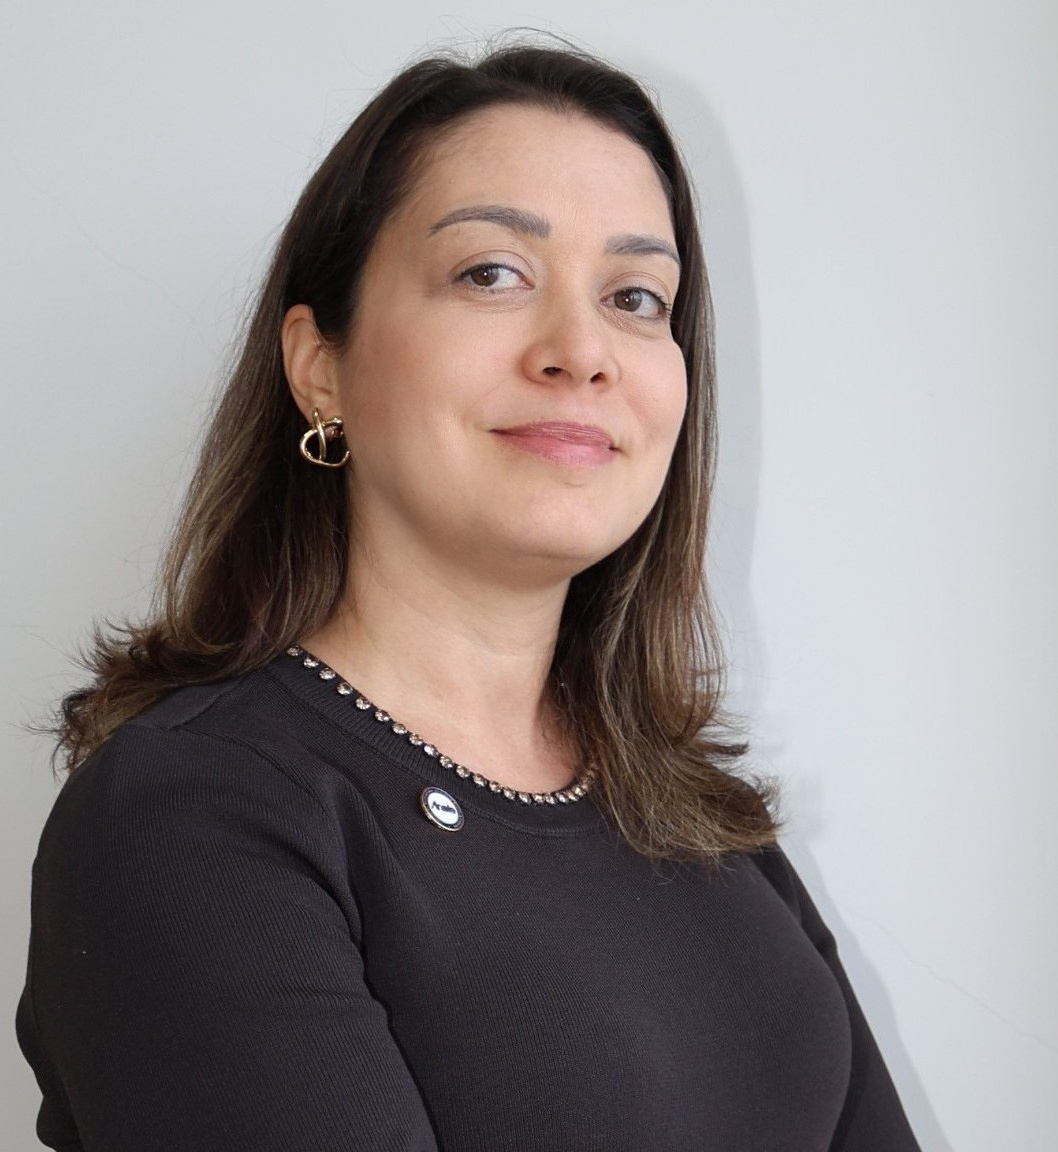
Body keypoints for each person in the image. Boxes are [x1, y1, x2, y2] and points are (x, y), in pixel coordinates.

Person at [16, 41, 920, 1151]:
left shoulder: (704, 826)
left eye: (636, 297)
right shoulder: (189, 815)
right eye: (491, 273)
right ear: (320, 366)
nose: (582, 350)